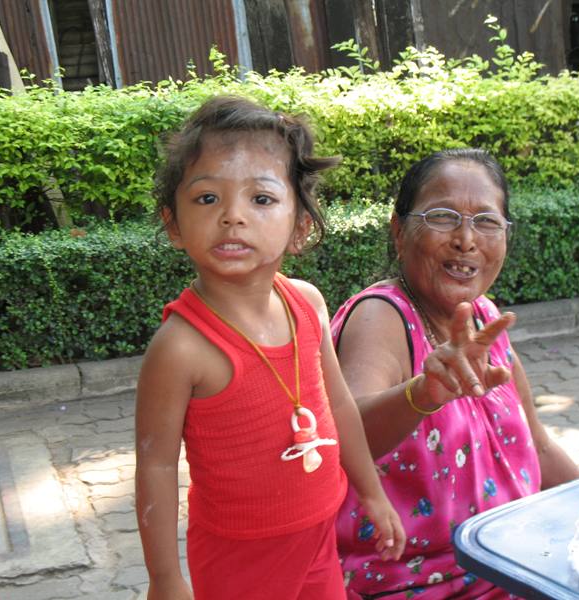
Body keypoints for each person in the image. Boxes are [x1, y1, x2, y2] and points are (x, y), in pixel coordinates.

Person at [135, 95, 406, 600]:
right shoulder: (181, 347)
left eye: (261, 199)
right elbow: (155, 465)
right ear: (173, 224)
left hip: (319, 536)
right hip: (240, 558)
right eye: (207, 198)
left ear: (300, 226)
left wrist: (371, 491)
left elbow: (339, 404)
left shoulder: (307, 303)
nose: (233, 216)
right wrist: (165, 579)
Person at [332, 148, 579, 599]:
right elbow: (347, 434)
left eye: (487, 221)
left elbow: (539, 447)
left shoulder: (484, 319)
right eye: (443, 217)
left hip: (510, 564)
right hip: (414, 582)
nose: (466, 240)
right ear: (399, 231)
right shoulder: (382, 315)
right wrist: (421, 395)